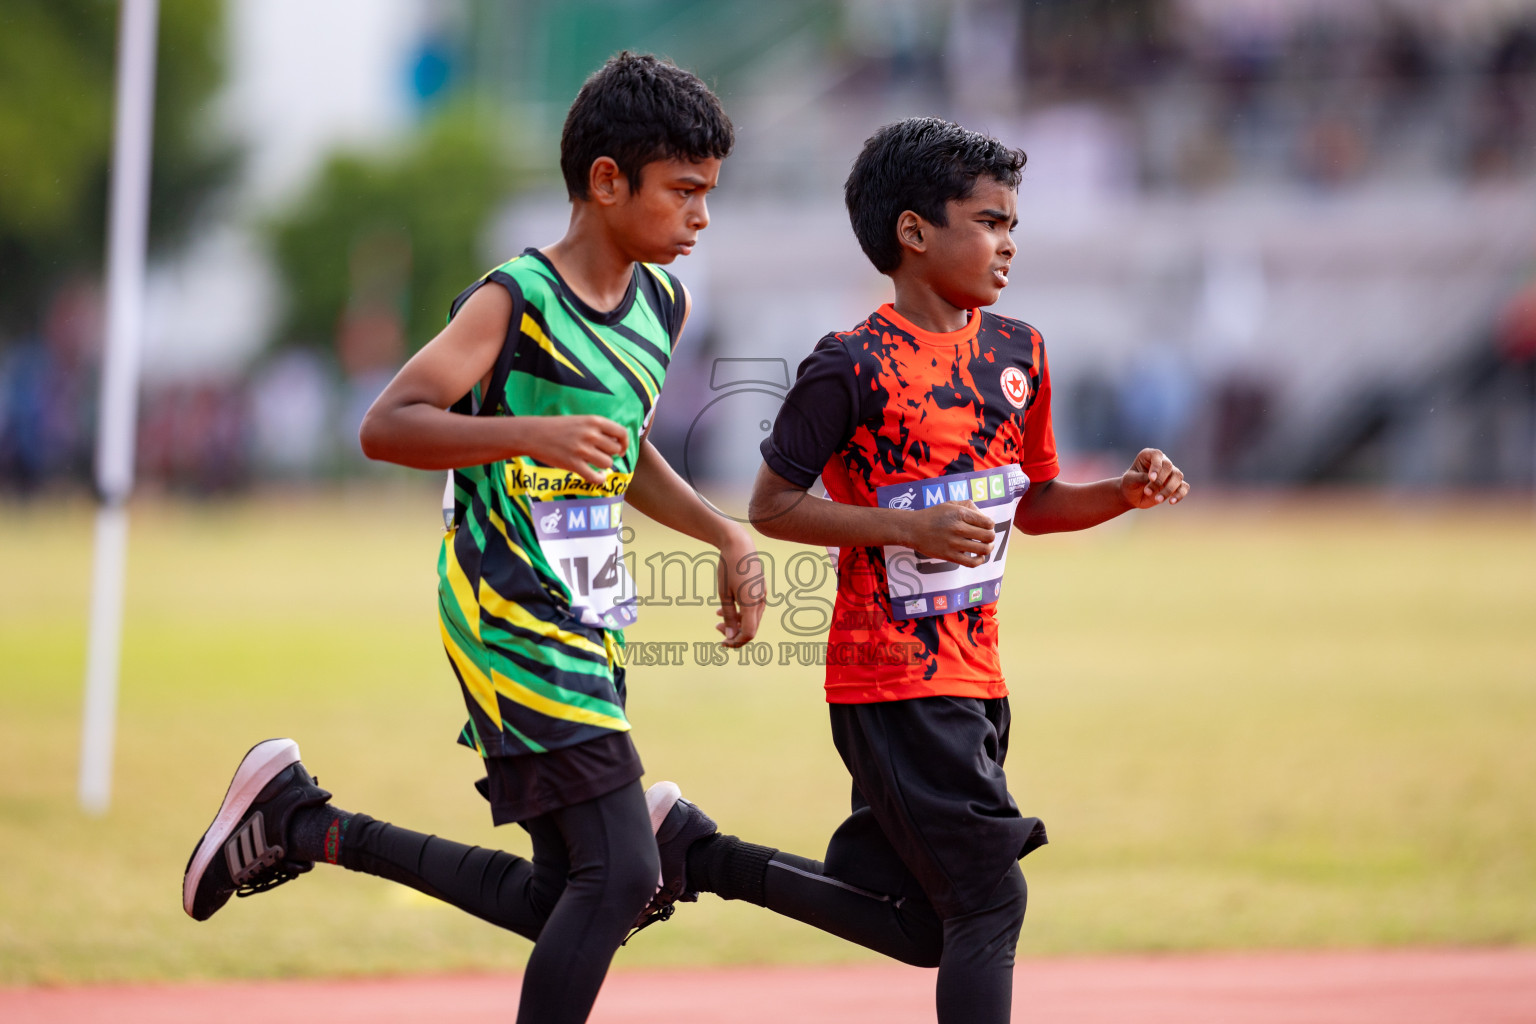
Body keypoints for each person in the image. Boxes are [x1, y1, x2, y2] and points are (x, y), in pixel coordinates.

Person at [181, 53, 762, 1024]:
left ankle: (301, 822)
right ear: (606, 181)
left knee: (566, 892)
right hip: (507, 608)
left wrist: (722, 534)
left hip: (589, 614)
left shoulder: (663, 307)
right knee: (621, 874)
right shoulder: (516, 298)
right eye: (684, 192)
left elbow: (619, 451)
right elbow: (389, 421)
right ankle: (296, 818)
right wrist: (526, 432)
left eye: (709, 194)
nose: (702, 216)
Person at [641, 117, 1191, 1024]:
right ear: (913, 232)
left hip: (977, 679)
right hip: (890, 683)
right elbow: (773, 507)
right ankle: (697, 854)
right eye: (988, 221)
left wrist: (1120, 496)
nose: (1008, 243)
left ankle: (700, 854)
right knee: (990, 901)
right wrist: (912, 527)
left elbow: (1035, 502)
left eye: (1014, 224)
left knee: (925, 926)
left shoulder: (1021, 353)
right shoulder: (849, 366)